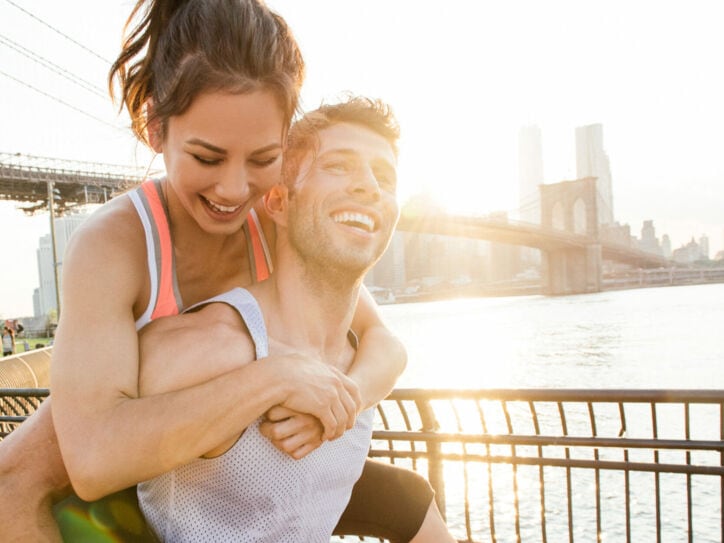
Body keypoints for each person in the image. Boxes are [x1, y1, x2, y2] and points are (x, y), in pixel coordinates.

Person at [0, 1, 436, 542]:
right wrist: (278, 376)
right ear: (154, 127)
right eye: (207, 158)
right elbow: (91, 461)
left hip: (224, 471)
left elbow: (383, 343)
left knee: (410, 498)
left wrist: (332, 403)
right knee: (7, 485)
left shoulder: (275, 214)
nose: (235, 192)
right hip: (129, 450)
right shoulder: (116, 244)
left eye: (261, 159)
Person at [133, 96, 455, 542]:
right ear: (279, 203)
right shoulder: (220, 345)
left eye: (384, 176)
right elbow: (95, 449)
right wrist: (271, 380)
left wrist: (343, 403)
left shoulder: (357, 357)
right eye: (339, 166)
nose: (369, 187)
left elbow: (391, 346)